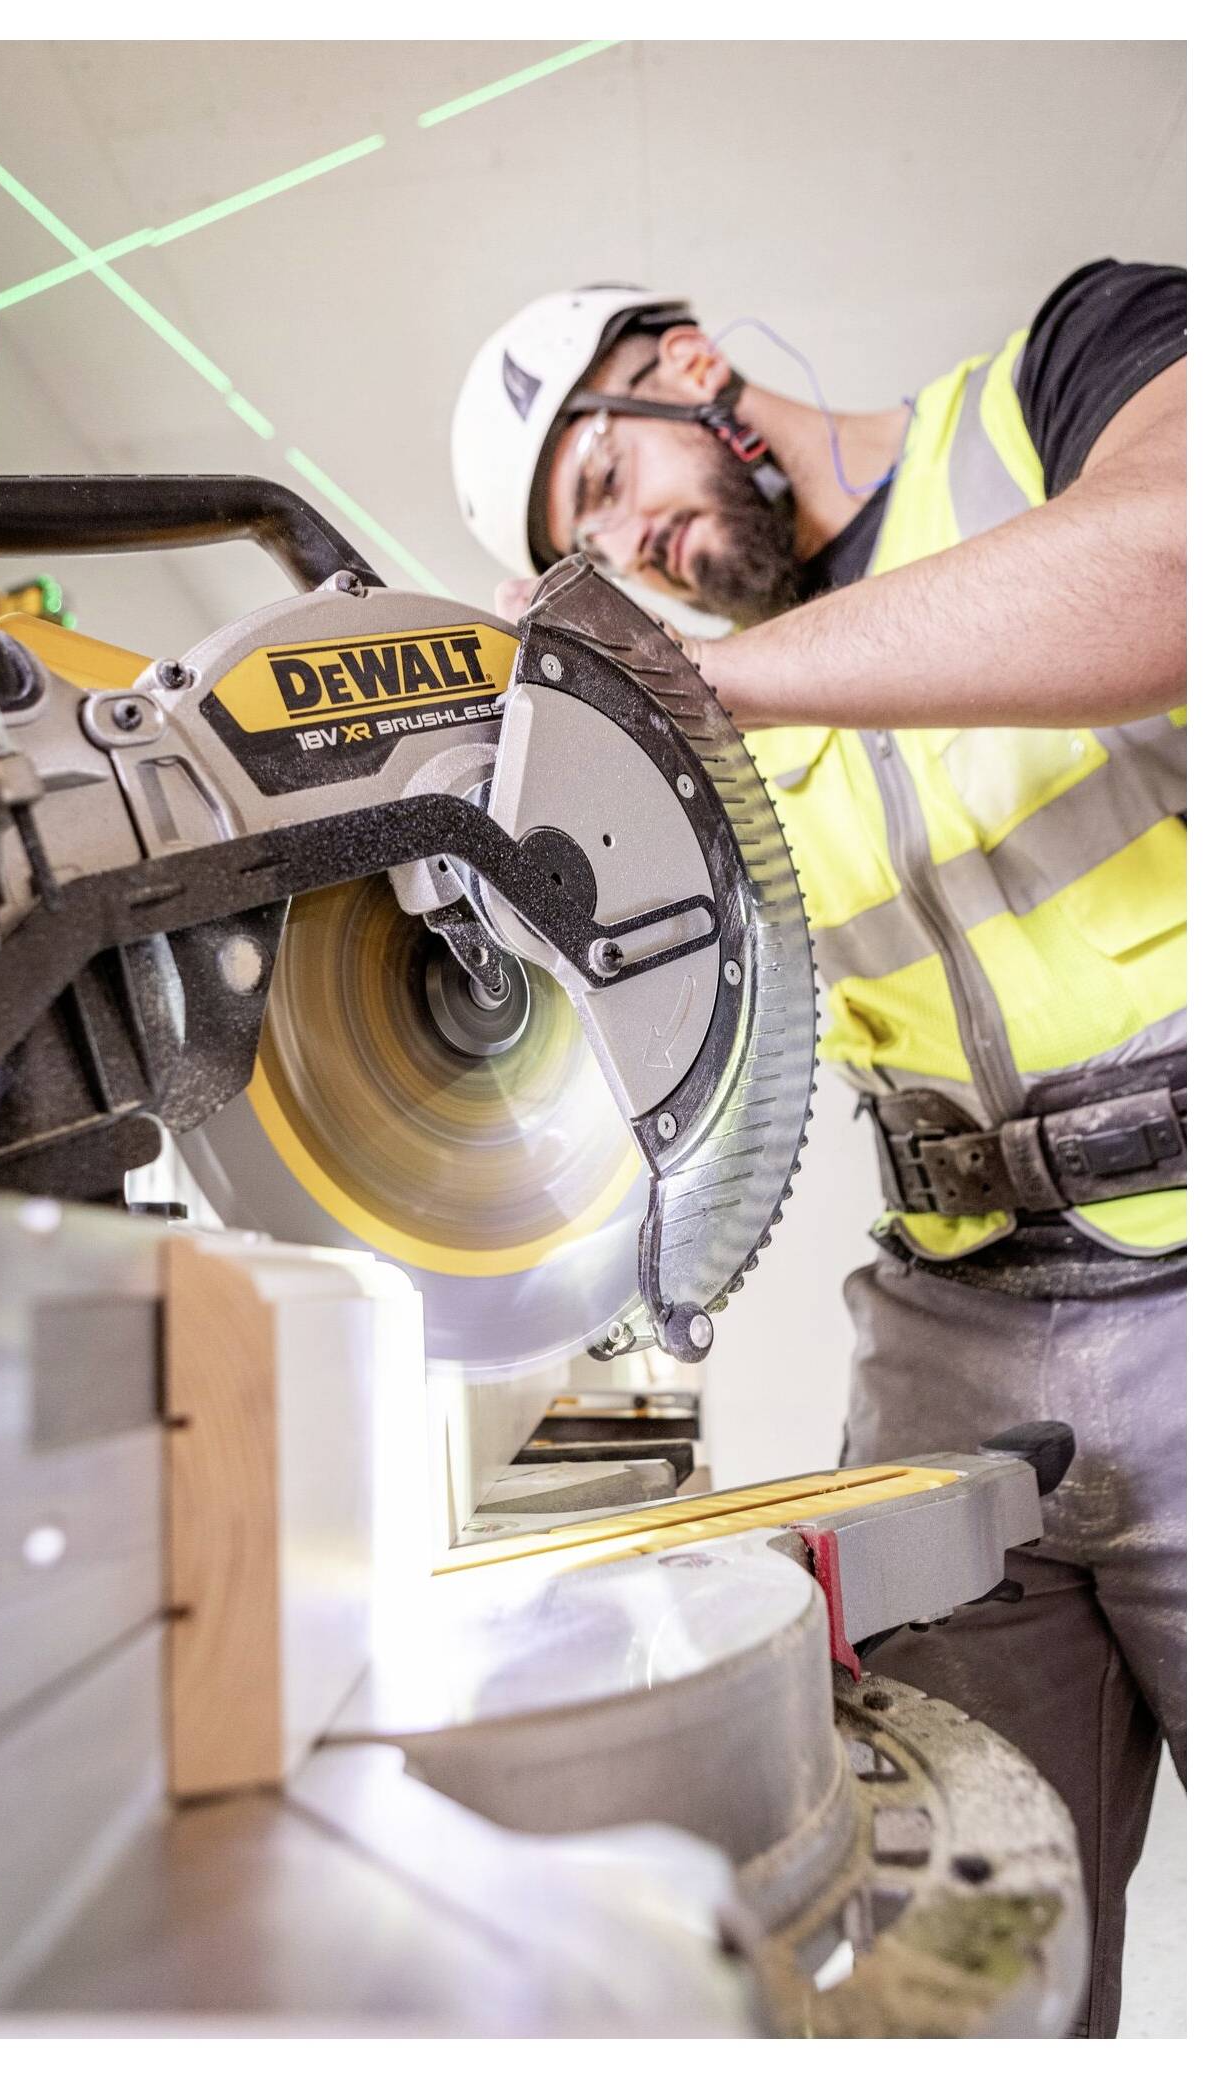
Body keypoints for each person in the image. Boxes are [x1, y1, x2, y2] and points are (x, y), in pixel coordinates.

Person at [451, 263, 1186, 2037]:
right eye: (596, 537)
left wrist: (703, 688)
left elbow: (1183, 555)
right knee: (944, 1959)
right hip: (950, 1338)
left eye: (616, 477)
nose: (646, 542)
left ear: (686, 366)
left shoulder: (1059, 377)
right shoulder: (718, 737)